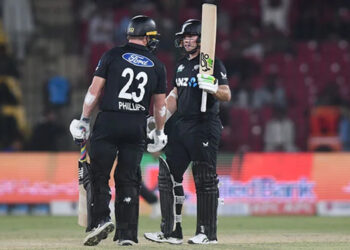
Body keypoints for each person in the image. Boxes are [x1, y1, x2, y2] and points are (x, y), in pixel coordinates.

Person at [69, 15, 167, 246]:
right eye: (151, 37)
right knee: (129, 179)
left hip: (109, 121)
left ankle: (101, 220)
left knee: (99, 174)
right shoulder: (158, 65)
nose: (153, 41)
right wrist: (160, 132)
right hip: (136, 125)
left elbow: (94, 91)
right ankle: (127, 235)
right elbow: (160, 106)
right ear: (145, 38)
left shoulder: (111, 55)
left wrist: (84, 119)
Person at [144, 19, 231, 245]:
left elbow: (226, 93)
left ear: (203, 39)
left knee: (204, 179)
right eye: (185, 36)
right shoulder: (182, 64)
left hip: (204, 125)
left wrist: (212, 87)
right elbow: (175, 94)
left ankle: (207, 233)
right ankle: (170, 231)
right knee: (167, 175)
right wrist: (160, 118)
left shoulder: (213, 64)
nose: (186, 40)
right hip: (180, 126)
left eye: (191, 35)